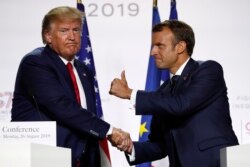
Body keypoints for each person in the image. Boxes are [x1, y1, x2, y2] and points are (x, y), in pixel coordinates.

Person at [11, 6, 132, 167]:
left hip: (83, 158)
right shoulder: (35, 63)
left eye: (76, 30)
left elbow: (87, 114)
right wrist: (109, 131)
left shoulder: (83, 70)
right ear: (48, 36)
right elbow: (61, 106)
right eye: (64, 30)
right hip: (45, 157)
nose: (72, 36)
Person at [109, 20, 239, 167]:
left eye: (160, 45)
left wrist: (130, 94)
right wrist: (129, 146)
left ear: (180, 47)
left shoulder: (208, 70)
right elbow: (160, 145)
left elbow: (181, 104)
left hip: (215, 163)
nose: (153, 52)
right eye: (153, 46)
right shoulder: (162, 91)